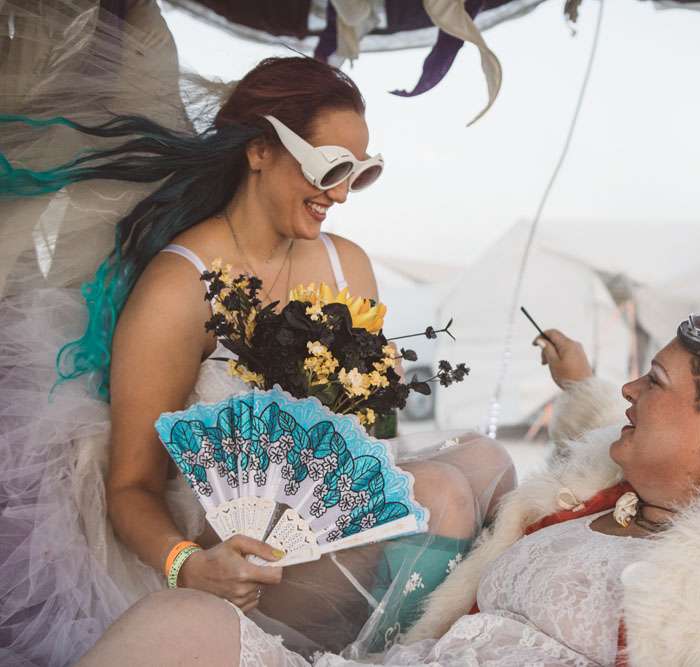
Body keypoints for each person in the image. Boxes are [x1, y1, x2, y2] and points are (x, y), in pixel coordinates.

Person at [0, 5, 513, 665]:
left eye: (360, 173)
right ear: (260, 149)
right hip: (236, 563)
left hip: (326, 534)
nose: (342, 195)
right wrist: (189, 564)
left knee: (484, 460)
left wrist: (369, 415)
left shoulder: (347, 266)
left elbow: (367, 442)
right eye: (330, 168)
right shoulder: (179, 287)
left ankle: (414, 642)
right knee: (442, 493)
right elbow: (130, 487)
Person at [78, 300, 700, 666]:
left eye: (654, 380)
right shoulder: (606, 486)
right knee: (178, 622)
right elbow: (599, 418)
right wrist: (576, 375)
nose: (631, 388)